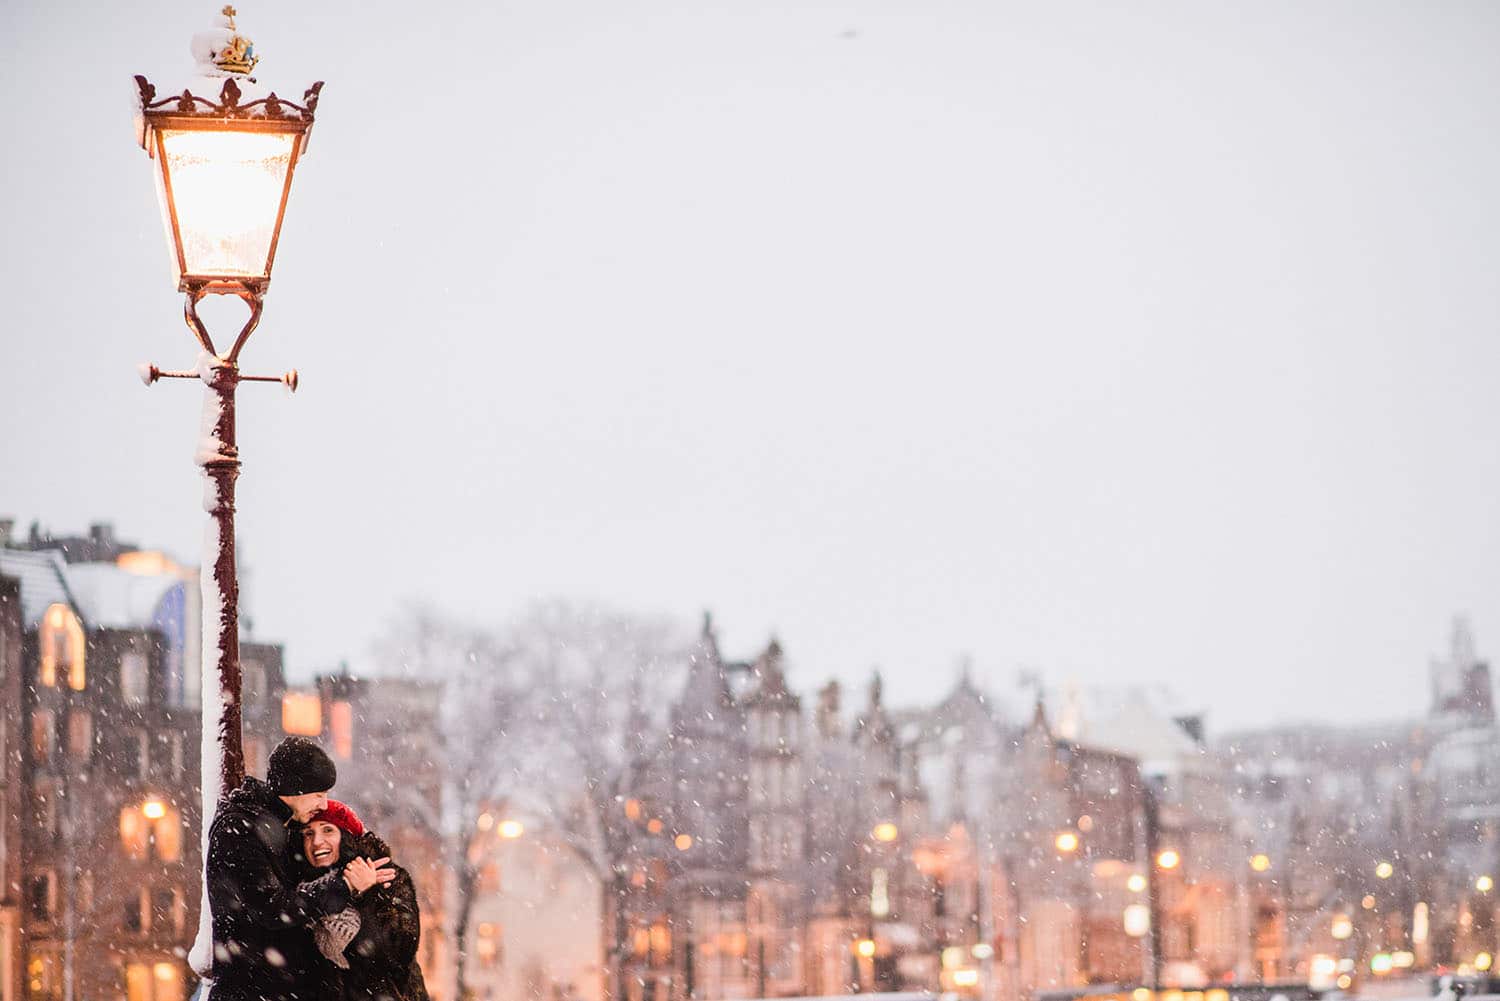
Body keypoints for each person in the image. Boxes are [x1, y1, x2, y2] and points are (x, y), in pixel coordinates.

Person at [206, 737, 397, 1001]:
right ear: (295, 789)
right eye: (319, 795)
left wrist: (363, 875)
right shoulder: (240, 830)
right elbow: (271, 908)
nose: (323, 804)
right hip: (254, 991)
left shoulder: (280, 827)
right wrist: (344, 886)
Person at [298, 799, 430, 1001]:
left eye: (328, 830)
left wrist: (365, 894)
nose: (316, 841)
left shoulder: (388, 878)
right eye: (308, 833)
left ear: (347, 837)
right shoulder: (302, 890)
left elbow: (399, 953)